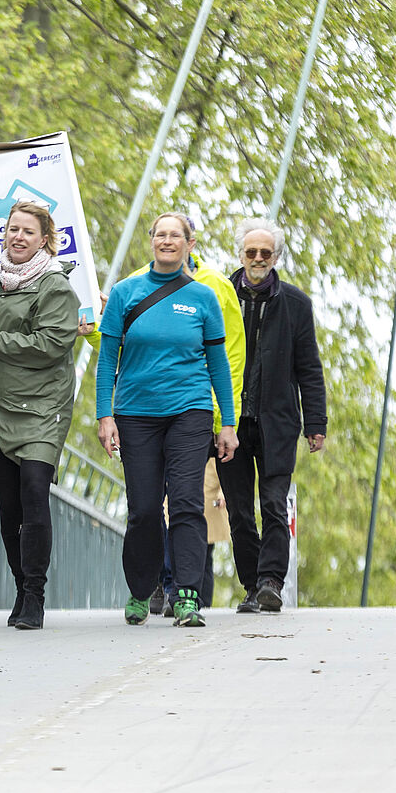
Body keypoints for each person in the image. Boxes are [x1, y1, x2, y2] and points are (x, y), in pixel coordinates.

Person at [83, 245, 245, 616]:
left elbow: (222, 363)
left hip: (190, 412)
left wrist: (228, 424)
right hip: (136, 413)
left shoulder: (207, 294)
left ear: (189, 244)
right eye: (161, 234)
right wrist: (104, 416)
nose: (168, 241)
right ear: (153, 241)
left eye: (176, 235)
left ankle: (187, 593)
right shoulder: (127, 291)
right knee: (143, 508)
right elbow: (109, 356)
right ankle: (142, 589)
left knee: (188, 502)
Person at [0, 200, 79, 630]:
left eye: (27, 231)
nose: (17, 237)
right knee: (9, 510)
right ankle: (20, 586)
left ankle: (35, 596)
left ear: (45, 239)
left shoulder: (55, 286)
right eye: (12, 229)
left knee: (32, 493)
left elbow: (50, 346)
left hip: (43, 407)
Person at [217, 218, 327, 613]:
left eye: (266, 252)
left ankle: (271, 582)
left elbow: (309, 368)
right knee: (240, 511)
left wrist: (316, 424)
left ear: (276, 256)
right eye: (252, 252)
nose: (258, 258)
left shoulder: (296, 304)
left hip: (278, 421)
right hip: (230, 422)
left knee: (274, 504)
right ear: (241, 255)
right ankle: (251, 584)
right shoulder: (219, 297)